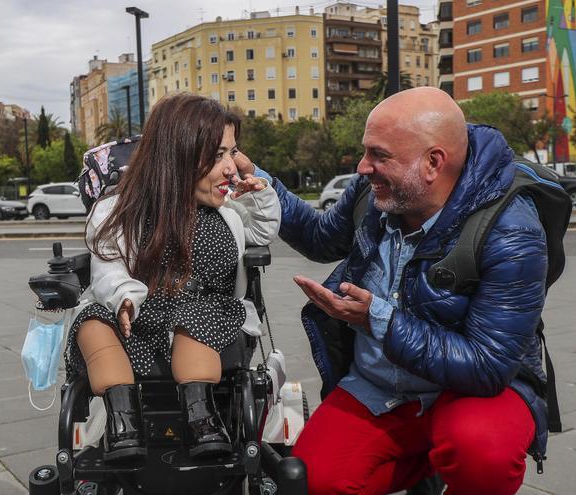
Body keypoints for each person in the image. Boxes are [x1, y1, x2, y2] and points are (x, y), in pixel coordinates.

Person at [236, 87, 550, 495]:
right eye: (365, 152)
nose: (363, 167)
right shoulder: (373, 192)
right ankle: (424, 462)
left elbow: (487, 367)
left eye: (379, 155)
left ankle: (441, 456)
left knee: (480, 454)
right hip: (380, 387)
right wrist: (261, 181)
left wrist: (377, 319)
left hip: (471, 393)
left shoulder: (512, 230)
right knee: (312, 482)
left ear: (433, 163)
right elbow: (318, 237)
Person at [64, 93, 280, 462]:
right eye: (218, 156)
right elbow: (108, 267)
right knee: (89, 321)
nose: (231, 166)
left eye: (232, 152)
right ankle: (123, 424)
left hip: (211, 316)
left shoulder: (226, 209)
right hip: (139, 319)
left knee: (195, 315)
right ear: (177, 155)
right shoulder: (119, 210)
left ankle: (202, 418)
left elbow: (262, 231)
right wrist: (125, 298)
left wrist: (255, 192)